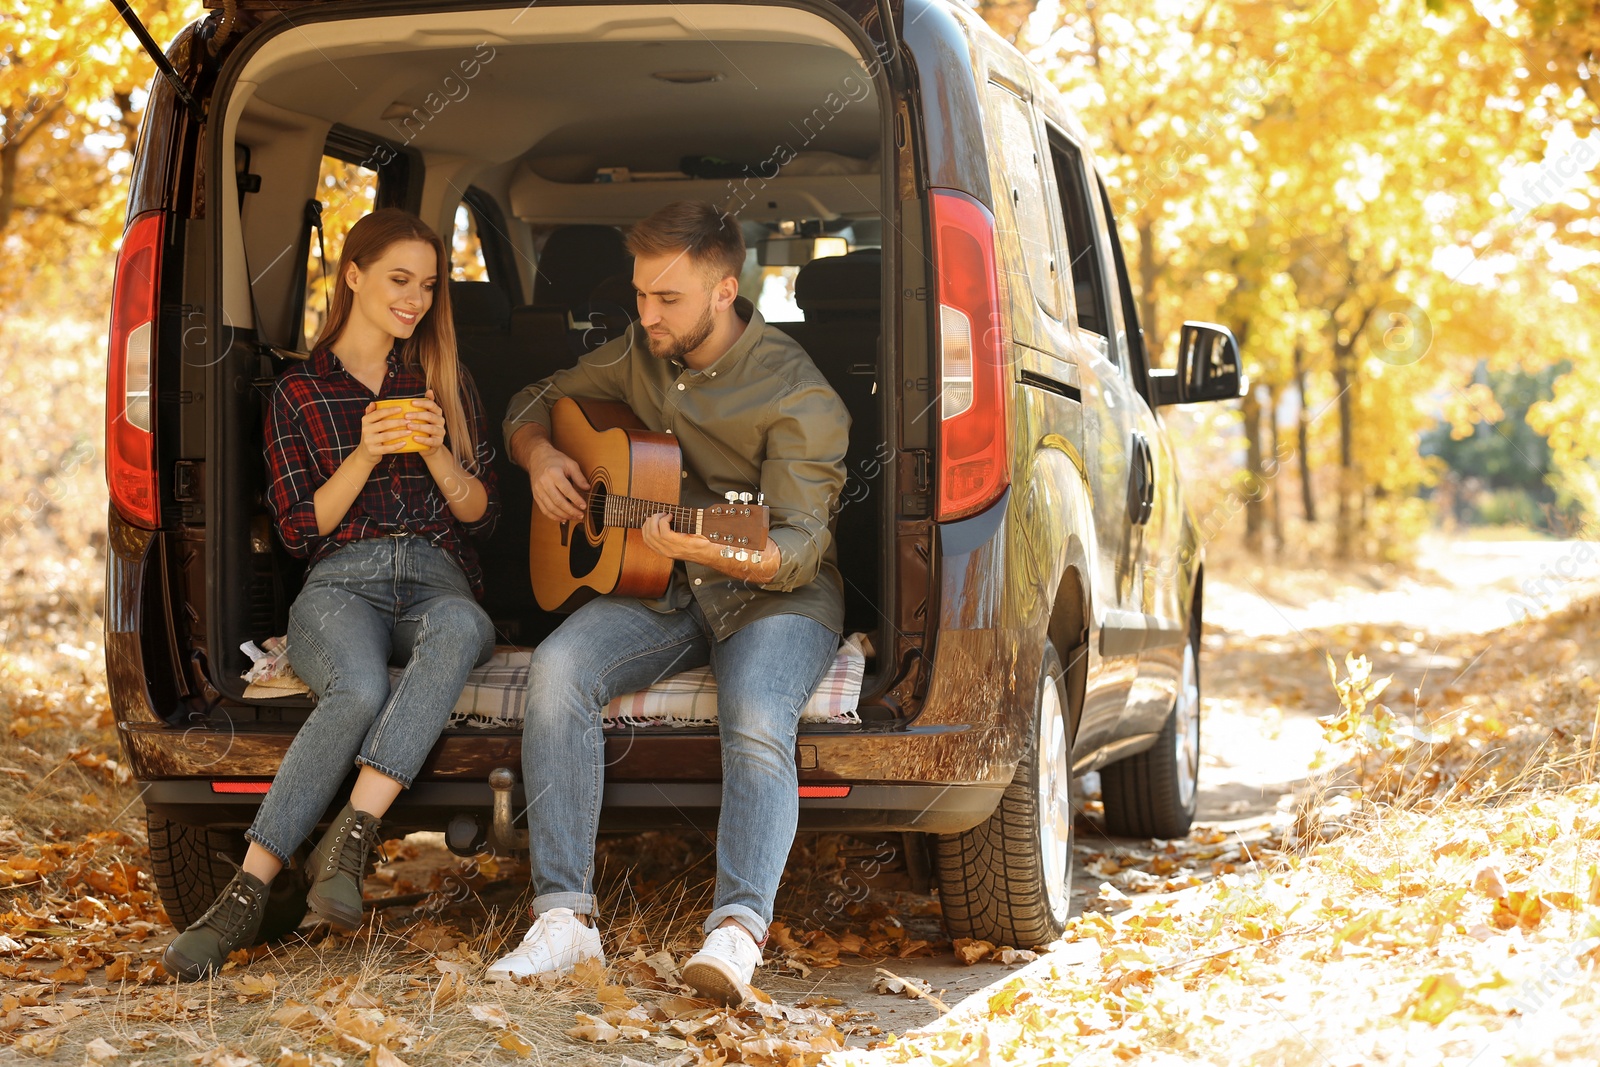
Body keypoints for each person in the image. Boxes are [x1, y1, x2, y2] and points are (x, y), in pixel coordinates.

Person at [488, 201, 850, 1003]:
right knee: (556, 670)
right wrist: (542, 454)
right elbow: (531, 398)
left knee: (756, 713)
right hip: (658, 584)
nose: (646, 314)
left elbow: (795, 545)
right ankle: (566, 922)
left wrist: (720, 549)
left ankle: (736, 929)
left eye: (667, 299)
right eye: (640, 294)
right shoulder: (638, 353)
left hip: (771, 596)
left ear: (725, 290)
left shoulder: (801, 395)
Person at [163, 208, 500, 981]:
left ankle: (348, 839)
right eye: (397, 280)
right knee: (353, 690)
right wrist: (366, 450)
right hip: (338, 582)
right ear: (352, 274)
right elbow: (296, 529)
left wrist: (439, 452)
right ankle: (244, 895)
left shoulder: (444, 379)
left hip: (437, 578)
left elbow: (483, 516)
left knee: (456, 629)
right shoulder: (299, 392)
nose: (414, 299)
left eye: (427, 284)